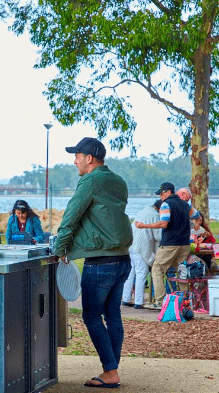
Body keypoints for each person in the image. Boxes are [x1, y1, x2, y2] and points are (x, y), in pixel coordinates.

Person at [52, 137, 132, 389]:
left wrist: (59, 247)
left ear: (89, 158)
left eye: (76, 155)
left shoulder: (90, 180)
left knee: (91, 317)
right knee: (113, 315)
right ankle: (112, 369)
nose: (74, 160)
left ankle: (110, 371)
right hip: (122, 258)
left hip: (100, 262)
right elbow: (104, 216)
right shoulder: (118, 181)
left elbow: (71, 216)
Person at [135, 182, 200, 308]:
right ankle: (184, 300)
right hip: (185, 244)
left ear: (169, 192)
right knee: (182, 271)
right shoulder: (185, 204)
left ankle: (160, 300)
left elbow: (164, 224)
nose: (161, 197)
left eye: (162, 193)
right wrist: (197, 223)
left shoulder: (166, 204)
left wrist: (144, 226)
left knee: (157, 268)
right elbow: (196, 215)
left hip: (170, 243)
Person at [122, 199, 162, 309]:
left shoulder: (143, 211)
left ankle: (126, 298)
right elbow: (158, 236)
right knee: (141, 273)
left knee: (130, 273)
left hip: (131, 244)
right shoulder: (155, 215)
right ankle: (138, 302)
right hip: (141, 247)